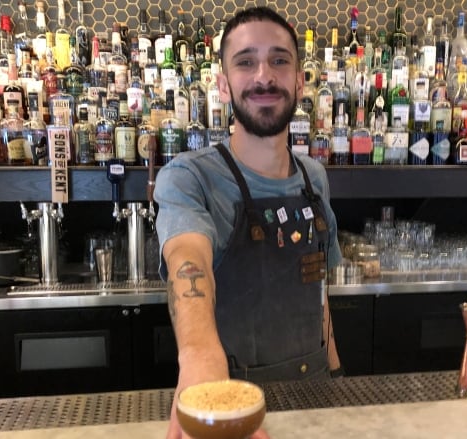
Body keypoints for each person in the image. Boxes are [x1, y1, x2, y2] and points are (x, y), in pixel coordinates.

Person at [154, 6, 343, 438]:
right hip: (229, 404)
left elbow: (317, 294)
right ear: (223, 85)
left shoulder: (314, 178)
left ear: (299, 81)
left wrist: (336, 377)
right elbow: (189, 261)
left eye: (279, 60)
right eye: (245, 62)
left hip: (316, 399)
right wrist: (202, 366)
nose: (264, 76)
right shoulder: (189, 177)